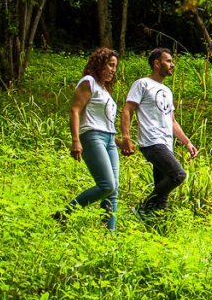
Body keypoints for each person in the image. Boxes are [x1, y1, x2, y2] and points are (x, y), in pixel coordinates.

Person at [121, 47, 198, 222]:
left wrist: (187, 142)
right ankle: (142, 207)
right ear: (157, 64)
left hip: (166, 144)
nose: (172, 65)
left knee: (162, 195)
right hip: (151, 143)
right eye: (168, 61)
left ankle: (157, 229)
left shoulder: (167, 91)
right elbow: (127, 110)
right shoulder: (142, 84)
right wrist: (126, 137)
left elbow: (172, 121)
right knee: (178, 175)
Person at [53, 47, 120, 231]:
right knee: (107, 184)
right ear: (100, 64)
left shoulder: (104, 89)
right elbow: (75, 110)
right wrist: (76, 140)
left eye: (115, 66)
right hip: (92, 136)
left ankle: (108, 237)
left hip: (110, 140)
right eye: (110, 65)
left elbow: (105, 121)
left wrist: (119, 140)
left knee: (113, 191)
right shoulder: (89, 82)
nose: (113, 70)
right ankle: (64, 213)